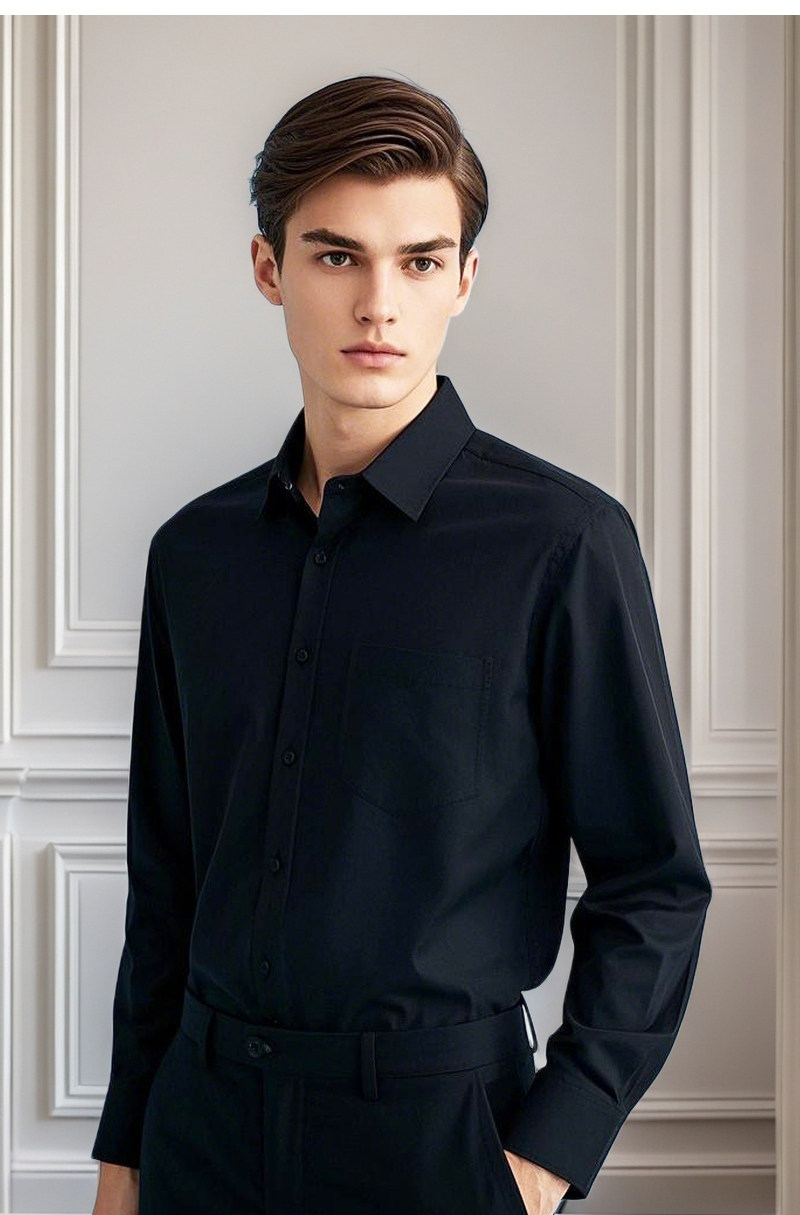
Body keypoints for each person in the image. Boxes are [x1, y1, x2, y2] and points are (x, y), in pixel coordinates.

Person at [91, 75, 712, 1215]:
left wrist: (540, 1162)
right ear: (269, 269)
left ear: (462, 280)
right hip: (201, 1136)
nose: (377, 304)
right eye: (337, 256)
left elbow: (655, 885)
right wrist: (125, 1154)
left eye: (419, 261)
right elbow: (164, 882)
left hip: (439, 1144)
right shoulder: (194, 553)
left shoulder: (562, 543)